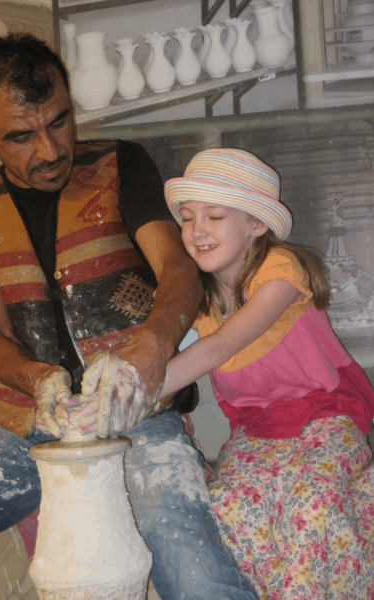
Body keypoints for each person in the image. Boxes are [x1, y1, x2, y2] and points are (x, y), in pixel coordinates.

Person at [0, 33, 259, 600]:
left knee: (195, 570)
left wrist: (151, 348)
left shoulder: (120, 163)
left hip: (140, 416)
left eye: (60, 121)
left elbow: (178, 269)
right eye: (21, 136)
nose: (51, 149)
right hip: (26, 426)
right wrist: (37, 378)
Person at [158, 147, 374, 599]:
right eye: (188, 217)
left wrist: (135, 390)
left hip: (325, 416)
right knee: (230, 508)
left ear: (256, 224)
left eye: (214, 216)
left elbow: (221, 346)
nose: (197, 231)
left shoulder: (281, 272)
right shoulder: (195, 296)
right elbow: (166, 355)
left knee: (313, 507)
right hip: (256, 432)